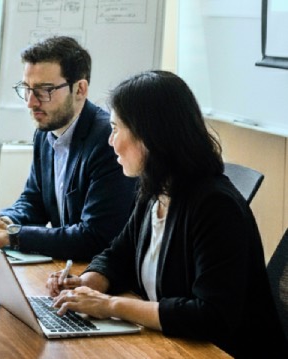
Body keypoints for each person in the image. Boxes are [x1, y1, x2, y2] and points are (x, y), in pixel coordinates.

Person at [47, 70, 288, 358]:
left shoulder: (216, 206)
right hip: (169, 346)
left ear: (149, 136)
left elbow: (211, 316)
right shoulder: (155, 189)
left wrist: (110, 305)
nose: (110, 141)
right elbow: (118, 255)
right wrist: (87, 283)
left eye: (116, 129)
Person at [0, 36, 136, 260]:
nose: (31, 102)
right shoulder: (44, 132)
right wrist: (2, 222)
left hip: (99, 270)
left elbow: (96, 237)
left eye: (44, 90)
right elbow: (34, 201)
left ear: (80, 89)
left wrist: (14, 236)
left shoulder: (107, 141)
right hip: (66, 268)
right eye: (27, 89)